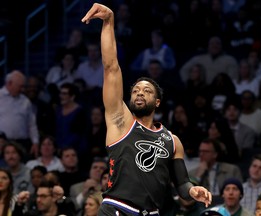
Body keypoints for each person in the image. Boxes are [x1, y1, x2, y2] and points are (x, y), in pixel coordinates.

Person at [81, 3, 212, 216]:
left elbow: (182, 184)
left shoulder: (172, 140)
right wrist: (108, 22)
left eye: (147, 91)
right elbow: (111, 67)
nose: (139, 93)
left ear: (158, 102)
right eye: (136, 90)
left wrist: (193, 190)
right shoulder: (120, 121)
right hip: (116, 208)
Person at [0, 70, 39, 158]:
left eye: (23, 87)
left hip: (22, 144)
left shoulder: (26, 101)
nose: (23, 90)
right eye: (20, 86)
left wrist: (35, 142)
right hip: (3, 144)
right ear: (10, 83)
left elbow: (32, 124)